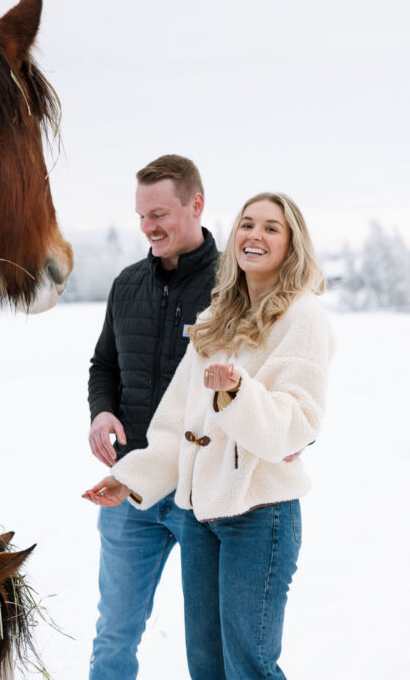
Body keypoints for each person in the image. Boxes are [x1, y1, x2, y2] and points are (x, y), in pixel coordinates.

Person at [84, 191, 333, 680]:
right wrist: (130, 477)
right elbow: (178, 426)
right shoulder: (216, 320)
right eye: (247, 224)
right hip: (199, 514)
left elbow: (296, 424)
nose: (254, 236)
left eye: (270, 228)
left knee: (249, 668)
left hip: (258, 515)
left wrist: (237, 393)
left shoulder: (302, 319)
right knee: (207, 667)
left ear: (291, 244)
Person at [87, 154, 221, 678]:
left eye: (160, 213)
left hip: (203, 493)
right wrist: (101, 413)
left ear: (196, 204)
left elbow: (276, 370)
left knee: (210, 646)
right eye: (142, 215)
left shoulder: (235, 286)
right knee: (114, 637)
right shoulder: (126, 284)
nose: (149, 226)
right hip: (130, 488)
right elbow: (105, 364)